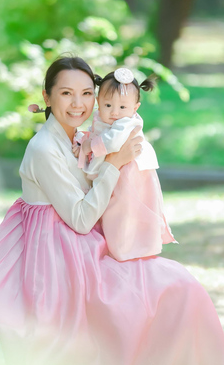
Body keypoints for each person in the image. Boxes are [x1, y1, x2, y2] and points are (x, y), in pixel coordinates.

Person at [0, 56, 224, 365]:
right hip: (56, 255)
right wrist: (114, 162)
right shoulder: (44, 148)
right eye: (66, 93)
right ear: (47, 97)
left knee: (183, 288)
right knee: (159, 293)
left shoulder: (78, 138)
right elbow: (80, 218)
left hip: (83, 242)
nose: (78, 103)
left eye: (86, 93)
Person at [75, 67, 175, 261]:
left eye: (122, 107)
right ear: (98, 102)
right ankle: (116, 245)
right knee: (113, 209)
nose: (114, 112)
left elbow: (111, 141)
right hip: (116, 169)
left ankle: (125, 248)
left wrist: (88, 146)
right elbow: (96, 132)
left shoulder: (126, 123)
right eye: (108, 105)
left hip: (130, 172)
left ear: (135, 108)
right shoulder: (102, 117)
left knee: (124, 211)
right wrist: (83, 139)